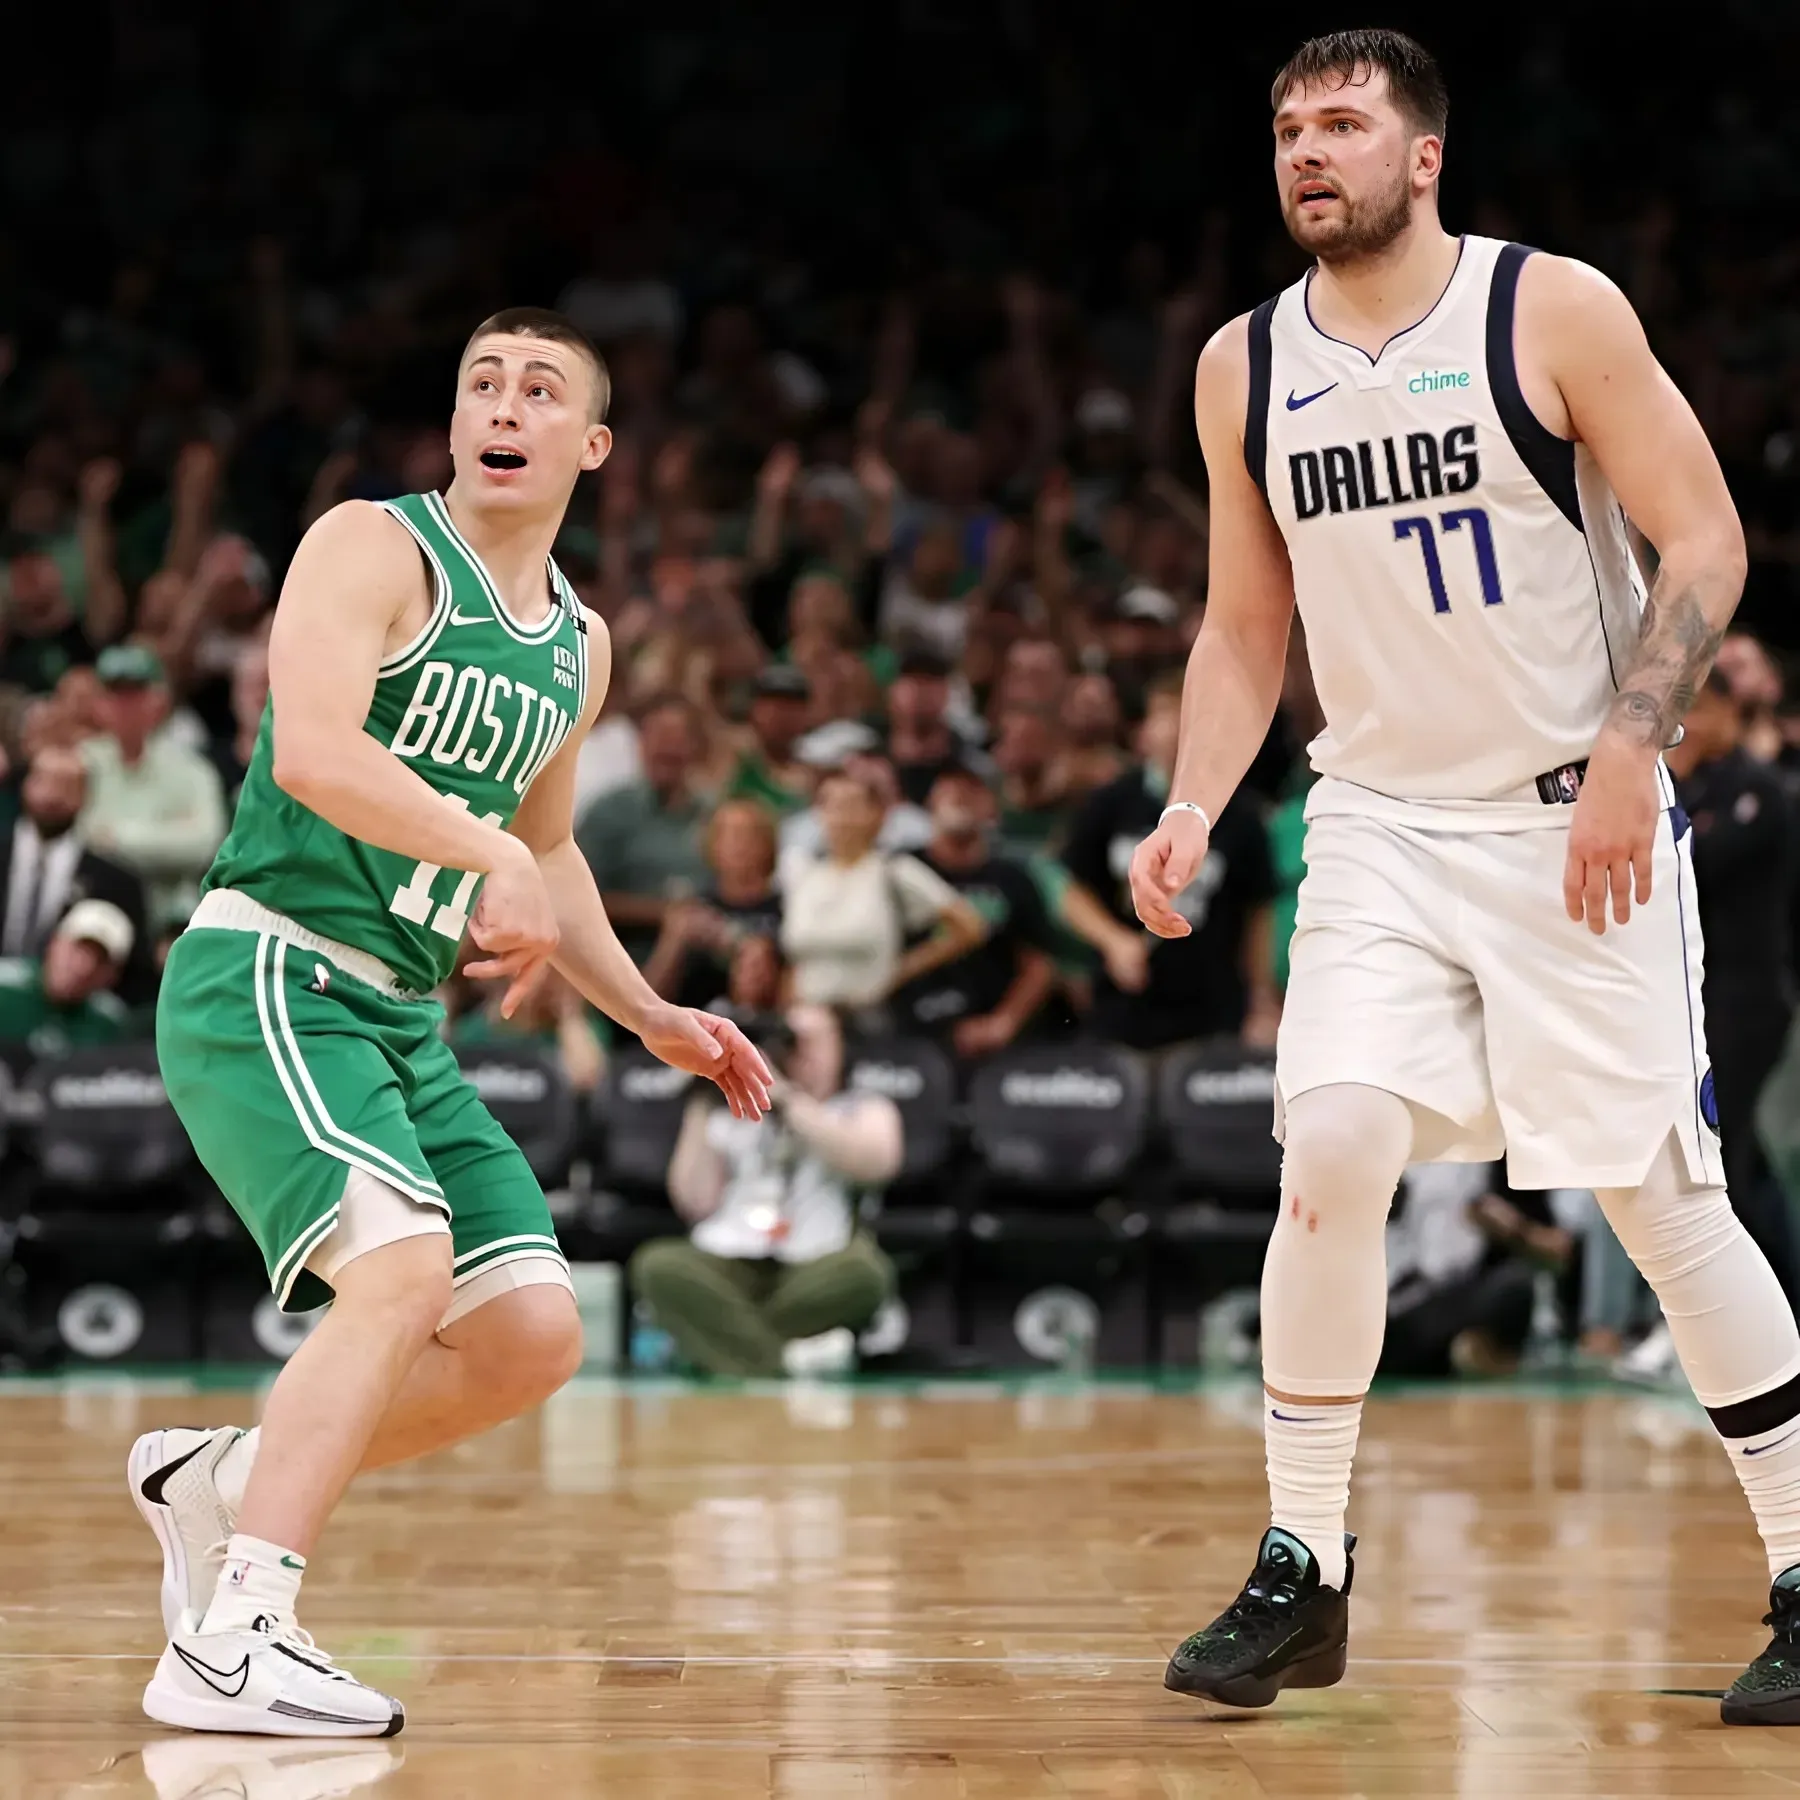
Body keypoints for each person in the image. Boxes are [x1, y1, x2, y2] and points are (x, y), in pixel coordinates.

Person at [1129, 31, 1800, 1725]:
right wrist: (1199, 803)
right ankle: (1303, 1566)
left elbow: (1707, 539)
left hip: (1577, 809)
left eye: (1343, 122)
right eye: (1287, 126)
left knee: (1660, 1201)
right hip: (1376, 818)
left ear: (1423, 154)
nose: (1308, 149)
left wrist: (1640, 748)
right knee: (1333, 1147)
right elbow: (1242, 623)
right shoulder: (1244, 366)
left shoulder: (1548, 310)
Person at [136, 307, 771, 1738]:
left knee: (533, 1335)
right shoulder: (371, 544)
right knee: (404, 1269)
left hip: (403, 1023)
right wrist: (483, 858)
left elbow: (545, 852)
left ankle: (223, 1482)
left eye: (540, 388)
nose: (504, 401)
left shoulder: (582, 647)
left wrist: (654, 1013)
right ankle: (236, 1633)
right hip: (272, 972)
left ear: (591, 447)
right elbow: (314, 752)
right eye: (483, 380)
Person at [630, 1004, 899, 1377]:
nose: (796, 1052)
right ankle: (786, 1362)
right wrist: (702, 1100)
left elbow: (875, 1163)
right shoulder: (730, 1107)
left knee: (867, 1274)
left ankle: (733, 1351)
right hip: (730, 1256)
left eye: (809, 1042)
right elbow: (693, 1201)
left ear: (841, 1048)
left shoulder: (861, 1107)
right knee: (657, 1265)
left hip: (816, 1259)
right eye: (789, 1041)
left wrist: (786, 1097)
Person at [1068, 673, 1279, 1051]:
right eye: (1168, 716)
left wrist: (1261, 998)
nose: (1180, 729)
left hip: (1212, 1006)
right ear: (1144, 732)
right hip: (1123, 1005)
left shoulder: (1243, 815)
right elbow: (1072, 892)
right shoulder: (1111, 803)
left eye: (1191, 718)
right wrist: (1113, 941)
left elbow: (1257, 912)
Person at [780, 764, 983, 1028]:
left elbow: (968, 926)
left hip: (867, 1020)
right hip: (805, 1020)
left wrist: (900, 970)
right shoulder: (804, 875)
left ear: (877, 815)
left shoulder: (893, 870)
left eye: (851, 806)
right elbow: (795, 957)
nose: (840, 817)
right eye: (830, 806)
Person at [892, 765, 1057, 1059]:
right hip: (909, 1030)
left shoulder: (1011, 878)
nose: (959, 799)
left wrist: (1004, 1022)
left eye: (970, 794)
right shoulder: (901, 871)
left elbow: (1038, 963)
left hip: (992, 1032)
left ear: (991, 809)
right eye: (949, 793)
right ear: (929, 805)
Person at [78, 643, 229, 932]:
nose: (125, 706)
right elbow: (76, 838)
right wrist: (163, 835)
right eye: (115, 695)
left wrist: (117, 838)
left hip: (168, 918)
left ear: (159, 701)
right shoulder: (84, 761)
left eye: (135, 694)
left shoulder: (193, 770)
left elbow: (205, 843)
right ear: (99, 704)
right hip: (96, 912)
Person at [573, 693, 712, 967]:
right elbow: (578, 897)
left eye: (677, 737)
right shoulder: (608, 811)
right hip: (622, 957)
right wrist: (661, 913)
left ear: (695, 748)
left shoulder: (712, 814)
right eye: (659, 735)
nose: (667, 745)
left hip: (704, 960)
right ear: (641, 743)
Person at [0, 743, 148, 985]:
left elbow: (133, 973)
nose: (51, 795)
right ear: (26, 784)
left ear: (86, 795)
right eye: (42, 781)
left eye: (66, 786)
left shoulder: (117, 883)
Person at [642, 798, 784, 1011]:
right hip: (694, 1022)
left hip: (764, 1024)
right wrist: (674, 941)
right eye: (729, 836)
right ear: (712, 845)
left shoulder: (786, 906)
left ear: (768, 844)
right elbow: (650, 999)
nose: (739, 846)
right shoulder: (695, 908)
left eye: (749, 836)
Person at [0, 897, 137, 1058]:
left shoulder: (110, 1022)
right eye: (77, 950)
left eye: (99, 960)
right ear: (54, 944)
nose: (84, 967)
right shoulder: (5, 988)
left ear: (113, 975)